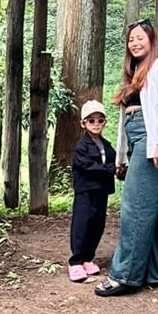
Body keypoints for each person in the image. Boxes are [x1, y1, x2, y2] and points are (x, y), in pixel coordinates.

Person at [95, 19, 158, 297]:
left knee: (134, 207)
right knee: (150, 208)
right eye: (131, 39)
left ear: (151, 41)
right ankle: (154, 274)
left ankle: (125, 275)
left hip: (151, 141)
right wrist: (121, 157)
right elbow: (125, 123)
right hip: (137, 142)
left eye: (140, 37)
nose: (135, 43)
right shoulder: (134, 76)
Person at [68, 99, 116, 282]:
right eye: (91, 120)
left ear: (105, 122)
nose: (96, 124)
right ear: (83, 123)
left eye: (100, 120)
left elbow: (114, 163)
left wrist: (119, 169)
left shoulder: (107, 145)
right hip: (85, 191)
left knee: (97, 224)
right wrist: (111, 170)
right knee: (82, 224)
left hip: (101, 191)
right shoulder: (82, 146)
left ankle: (88, 258)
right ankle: (75, 262)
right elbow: (86, 166)